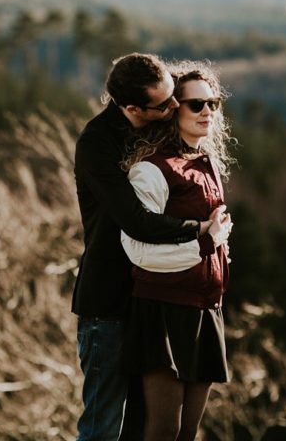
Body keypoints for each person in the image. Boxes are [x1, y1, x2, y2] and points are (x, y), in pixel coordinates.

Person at [72, 53, 231, 441]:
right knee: (103, 425)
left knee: (138, 427)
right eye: (168, 104)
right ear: (133, 108)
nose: (175, 106)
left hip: (149, 299)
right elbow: (136, 222)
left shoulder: (166, 140)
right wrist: (202, 233)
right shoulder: (98, 144)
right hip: (109, 301)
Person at [120, 60, 235, 441]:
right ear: (174, 109)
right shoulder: (151, 170)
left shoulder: (209, 165)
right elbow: (139, 252)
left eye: (213, 103)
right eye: (196, 104)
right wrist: (206, 244)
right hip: (162, 311)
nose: (207, 112)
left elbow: (213, 236)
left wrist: (218, 254)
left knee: (188, 434)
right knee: (162, 431)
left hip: (206, 309)